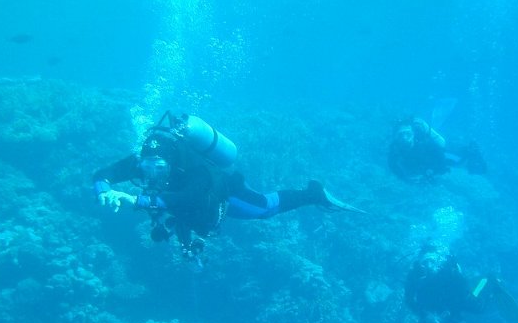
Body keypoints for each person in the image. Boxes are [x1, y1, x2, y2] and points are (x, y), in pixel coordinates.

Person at [93, 112, 363, 262]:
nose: (152, 175)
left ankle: (314, 193)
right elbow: (102, 174)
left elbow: (189, 198)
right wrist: (104, 189)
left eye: (159, 168)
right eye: (147, 168)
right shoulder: (142, 161)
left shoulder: (194, 166)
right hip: (188, 207)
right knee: (178, 215)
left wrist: (136, 200)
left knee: (265, 208)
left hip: (223, 193)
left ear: (170, 162)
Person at [404, 242, 518, 323]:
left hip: (455, 293)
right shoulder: (414, 274)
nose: (428, 266)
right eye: (424, 265)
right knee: (474, 307)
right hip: (442, 298)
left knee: (478, 306)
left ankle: (488, 281)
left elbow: (460, 284)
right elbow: (409, 299)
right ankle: (485, 284)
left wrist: (455, 312)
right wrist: (422, 316)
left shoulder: (441, 270)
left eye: (429, 264)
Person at [388, 117, 487, 182]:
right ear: (396, 137)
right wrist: (405, 179)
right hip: (428, 162)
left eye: (408, 134)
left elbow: (440, 158)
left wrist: (430, 172)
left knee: (460, 161)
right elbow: (393, 165)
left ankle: (471, 151)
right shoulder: (395, 148)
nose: (405, 138)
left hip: (440, 155)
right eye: (401, 135)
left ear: (413, 134)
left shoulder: (424, 143)